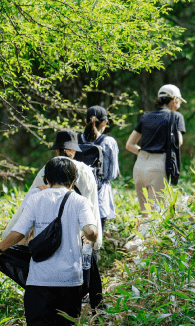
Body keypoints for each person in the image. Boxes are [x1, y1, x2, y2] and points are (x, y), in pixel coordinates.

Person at [0, 156, 98, 326]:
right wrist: (90, 238)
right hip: (70, 280)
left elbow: (19, 232)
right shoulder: (80, 201)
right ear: (73, 181)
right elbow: (91, 231)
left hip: (39, 279)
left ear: (46, 179)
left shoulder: (36, 198)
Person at [2, 130, 102, 251]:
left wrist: (7, 238)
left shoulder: (48, 169)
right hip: (79, 234)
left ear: (57, 150)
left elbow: (28, 205)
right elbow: (92, 207)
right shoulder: (86, 171)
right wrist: (95, 242)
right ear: (74, 151)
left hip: (48, 235)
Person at [125, 84, 186, 214]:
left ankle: (142, 234)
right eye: (179, 101)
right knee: (159, 213)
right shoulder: (176, 117)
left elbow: (129, 145)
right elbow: (179, 141)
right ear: (174, 99)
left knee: (145, 213)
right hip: (159, 166)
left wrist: (144, 152)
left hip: (140, 165)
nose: (179, 105)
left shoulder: (146, 117)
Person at [78, 105, 120, 241]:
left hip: (77, 196)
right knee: (94, 240)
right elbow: (111, 174)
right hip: (100, 199)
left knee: (77, 238)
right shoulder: (108, 142)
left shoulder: (76, 140)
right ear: (105, 122)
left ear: (85, 121)